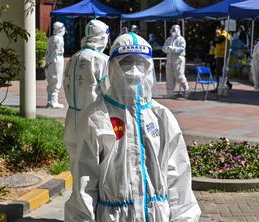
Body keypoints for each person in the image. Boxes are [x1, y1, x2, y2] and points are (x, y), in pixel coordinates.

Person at [65, 33, 201, 221]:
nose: (135, 71)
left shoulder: (161, 117)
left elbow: (177, 176)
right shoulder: (98, 118)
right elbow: (84, 183)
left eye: (141, 63)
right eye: (126, 62)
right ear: (112, 67)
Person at [63, 19, 110, 166]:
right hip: (94, 118)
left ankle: (77, 189)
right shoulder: (102, 60)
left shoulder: (74, 57)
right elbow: (109, 91)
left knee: (76, 161)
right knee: (95, 164)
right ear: (102, 37)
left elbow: (66, 85)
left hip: (72, 117)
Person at [162, 25, 190, 98]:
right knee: (169, 77)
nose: (174, 32)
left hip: (178, 60)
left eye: (175, 30)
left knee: (179, 76)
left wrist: (173, 49)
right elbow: (163, 48)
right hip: (169, 60)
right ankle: (170, 93)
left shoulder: (181, 39)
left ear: (179, 31)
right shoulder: (169, 39)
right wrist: (167, 49)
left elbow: (181, 49)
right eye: (173, 30)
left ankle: (187, 89)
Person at [46, 21, 66, 108]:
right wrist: (52, 61)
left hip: (51, 60)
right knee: (56, 79)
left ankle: (50, 100)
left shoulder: (51, 38)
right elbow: (55, 51)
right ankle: (53, 102)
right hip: (56, 60)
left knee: (51, 80)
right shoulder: (58, 39)